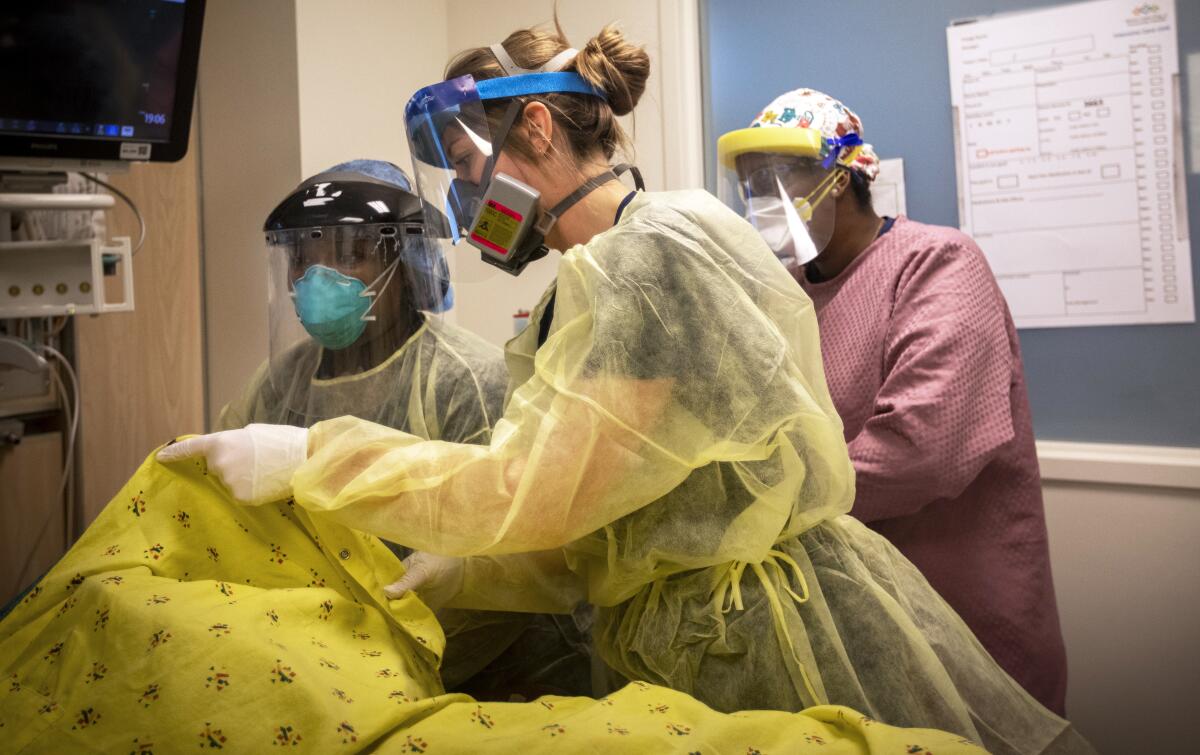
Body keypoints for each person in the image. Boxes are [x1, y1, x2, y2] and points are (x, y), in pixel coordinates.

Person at [161, 23, 1093, 754]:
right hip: (681, 639)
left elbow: (525, 490)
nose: (464, 205)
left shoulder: (653, 259)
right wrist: (474, 569)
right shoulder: (598, 274)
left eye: (471, 171)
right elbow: (615, 516)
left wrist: (310, 456)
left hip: (760, 643)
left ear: (535, 125)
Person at [717, 89, 1068, 714]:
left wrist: (765, 500)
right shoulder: (786, 294)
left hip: (957, 609)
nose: (764, 197)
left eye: (784, 174)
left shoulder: (936, 261)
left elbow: (922, 450)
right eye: (751, 182)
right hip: (853, 612)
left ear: (846, 176)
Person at [217, 159, 592, 699]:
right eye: (304, 256)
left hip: (493, 678)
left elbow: (510, 555)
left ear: (408, 261)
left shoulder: (468, 382)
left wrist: (394, 671)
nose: (319, 278)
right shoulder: (278, 385)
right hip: (326, 666)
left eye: (353, 254)